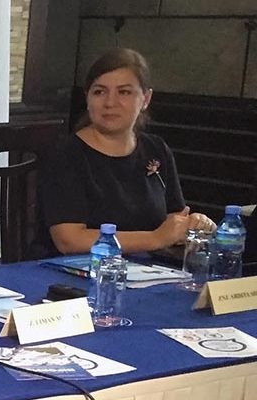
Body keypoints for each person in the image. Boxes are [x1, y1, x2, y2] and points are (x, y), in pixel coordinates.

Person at [39, 48, 215, 255]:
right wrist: (155, 238)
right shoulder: (66, 154)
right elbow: (70, 240)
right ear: (87, 98)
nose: (110, 103)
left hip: (148, 268)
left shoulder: (156, 149)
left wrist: (192, 224)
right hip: (79, 268)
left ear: (146, 99)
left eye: (124, 92)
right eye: (99, 92)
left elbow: (173, 219)